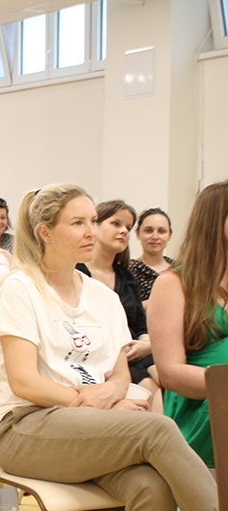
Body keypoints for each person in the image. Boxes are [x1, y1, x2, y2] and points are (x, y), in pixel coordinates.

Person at [0, 183, 219, 511]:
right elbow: (25, 382)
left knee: (152, 486)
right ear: (45, 232)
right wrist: (85, 398)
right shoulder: (20, 288)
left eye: (93, 220)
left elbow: (118, 375)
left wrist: (106, 395)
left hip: (89, 427)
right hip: (25, 427)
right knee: (157, 430)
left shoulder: (103, 296)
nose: (91, 231)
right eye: (78, 222)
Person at [149, 181, 228, 470]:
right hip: (204, 408)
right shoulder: (173, 283)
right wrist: (224, 383)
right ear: (215, 221)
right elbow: (170, 372)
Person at [77, 200, 160, 408]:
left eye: (128, 228)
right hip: (101, 355)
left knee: (167, 376)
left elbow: (140, 326)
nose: (123, 231)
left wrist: (145, 343)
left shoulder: (127, 277)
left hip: (133, 351)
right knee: (152, 387)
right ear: (95, 226)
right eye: (116, 224)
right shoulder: (76, 273)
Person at [128, 208, 174, 305]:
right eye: (148, 231)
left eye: (161, 231)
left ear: (170, 235)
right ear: (138, 233)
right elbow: (124, 308)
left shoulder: (179, 269)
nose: (155, 237)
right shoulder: (128, 270)